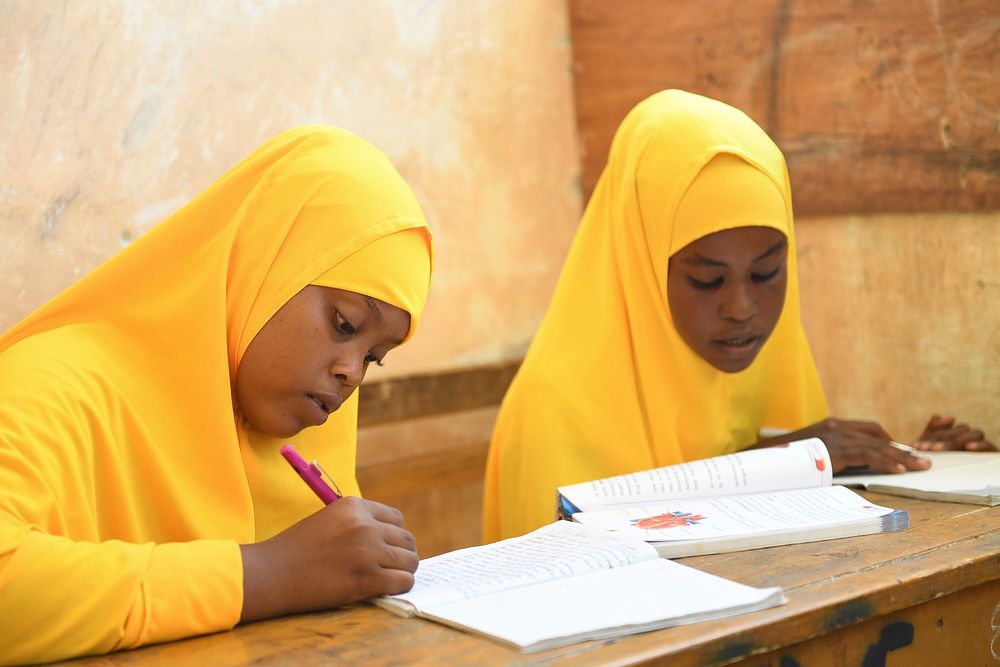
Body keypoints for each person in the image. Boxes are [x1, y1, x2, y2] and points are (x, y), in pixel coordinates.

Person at [0, 126, 433, 664]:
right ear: (262, 268)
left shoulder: (284, 430)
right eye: (344, 324)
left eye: (374, 358)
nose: (352, 374)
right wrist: (266, 574)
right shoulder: (55, 383)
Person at [482, 89, 993, 543]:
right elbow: (572, 590)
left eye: (768, 273)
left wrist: (923, 466)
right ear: (642, 264)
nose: (742, 309)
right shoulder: (553, 409)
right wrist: (767, 465)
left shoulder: (757, 361)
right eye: (707, 280)